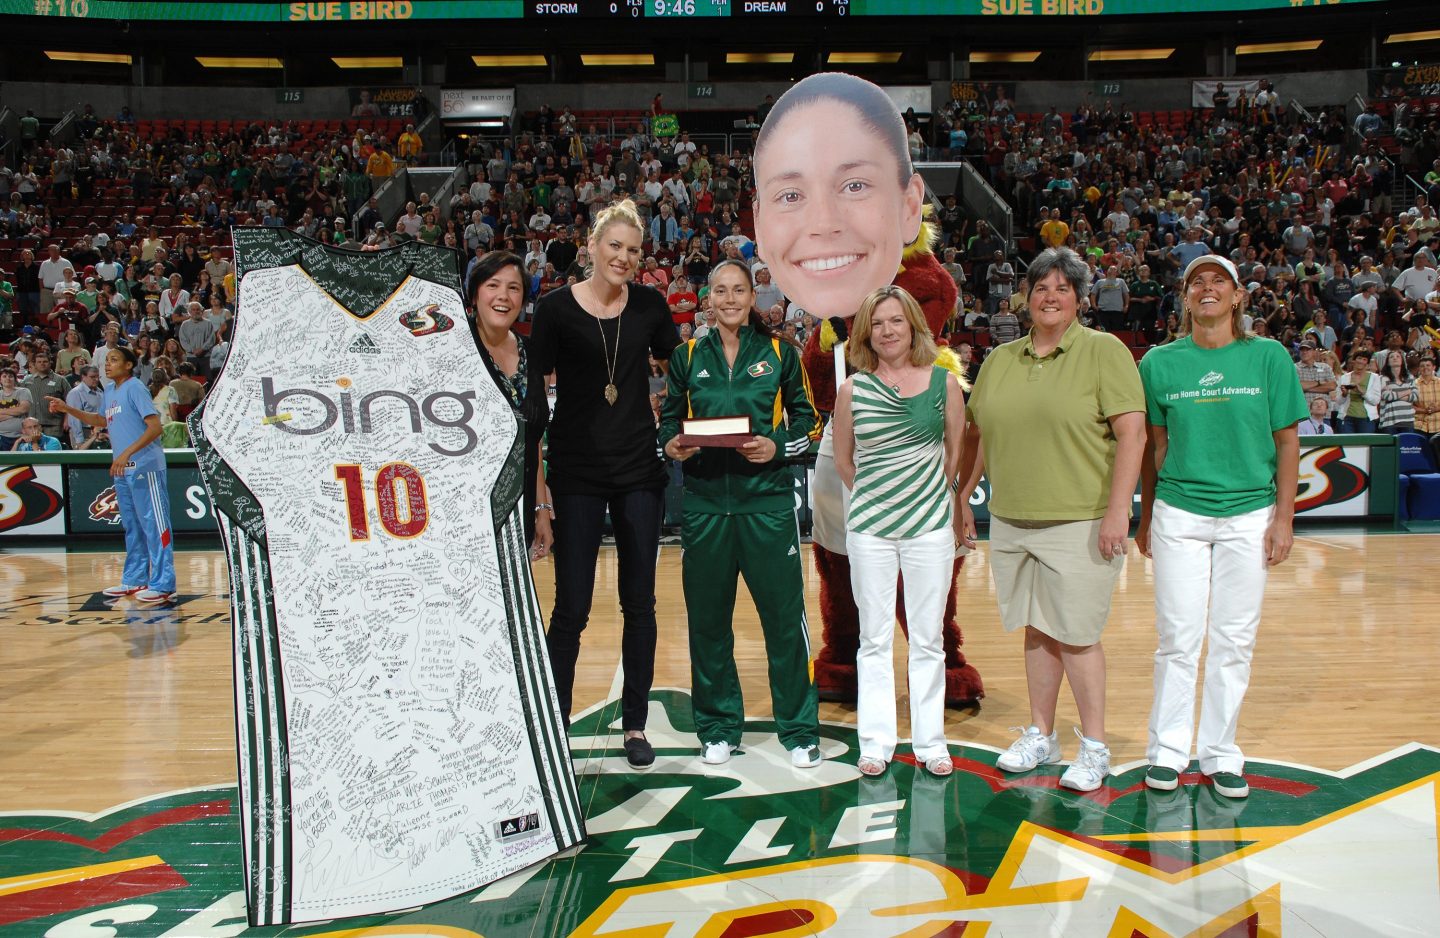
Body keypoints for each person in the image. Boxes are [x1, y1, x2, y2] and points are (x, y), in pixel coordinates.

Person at [958, 246, 1146, 792]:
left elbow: (1132, 434)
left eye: (1063, 288)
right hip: (1013, 519)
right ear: (1025, 297)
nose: (1051, 296)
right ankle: (1041, 733)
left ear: (1081, 300)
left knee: (1079, 635)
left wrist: (1119, 512)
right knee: (1038, 630)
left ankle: (1095, 747)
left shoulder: (1104, 351)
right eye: (1042, 287)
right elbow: (979, 437)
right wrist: (961, 497)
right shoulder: (1000, 359)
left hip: (1081, 520)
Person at [1136, 254, 1306, 799]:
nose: (1206, 289)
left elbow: (1286, 443)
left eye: (1218, 282)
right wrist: (1148, 510)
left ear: (1238, 297)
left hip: (1250, 514)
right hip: (1180, 512)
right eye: (1196, 282)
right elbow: (1154, 446)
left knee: (1234, 639)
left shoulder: (1270, 357)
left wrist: (1284, 517)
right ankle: (1166, 751)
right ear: (1185, 298)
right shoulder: (1158, 364)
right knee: (1178, 639)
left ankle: (1219, 753)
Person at [524, 200, 681, 768]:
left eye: (634, 250)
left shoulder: (651, 306)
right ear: (592, 246)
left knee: (640, 602)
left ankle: (635, 725)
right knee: (572, 607)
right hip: (577, 474)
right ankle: (553, 722)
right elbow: (533, 401)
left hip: (639, 469)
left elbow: (680, 366)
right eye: (614, 246)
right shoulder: (554, 309)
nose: (624, 257)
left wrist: (676, 423)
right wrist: (537, 494)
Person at [658, 260, 821, 767]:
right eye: (720, 291)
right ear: (707, 298)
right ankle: (717, 728)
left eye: (738, 291)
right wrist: (672, 447)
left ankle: (798, 730)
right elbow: (667, 420)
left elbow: (808, 420)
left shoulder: (779, 353)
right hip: (705, 507)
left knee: (783, 623)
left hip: (768, 507)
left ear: (754, 297)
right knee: (708, 625)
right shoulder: (685, 356)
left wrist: (775, 447)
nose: (729, 299)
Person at [832, 285, 967, 778]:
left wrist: (929, 494)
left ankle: (931, 743)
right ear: (867, 331)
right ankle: (876, 741)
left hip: (929, 527)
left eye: (896, 321)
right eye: (878, 323)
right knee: (874, 638)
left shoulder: (944, 383)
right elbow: (845, 463)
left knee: (928, 639)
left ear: (913, 325)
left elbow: (956, 451)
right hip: (870, 529)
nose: (887, 331)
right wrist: (880, 497)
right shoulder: (853, 389)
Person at [48, 346, 176, 603]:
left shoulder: (136, 387)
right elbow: (100, 420)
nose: (107, 364)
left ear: (129, 365)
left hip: (145, 467)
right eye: (106, 360)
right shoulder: (109, 390)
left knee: (155, 525)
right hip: (122, 468)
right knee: (132, 526)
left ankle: (164, 584)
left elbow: (155, 428)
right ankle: (135, 579)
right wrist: (67, 409)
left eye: (114, 360)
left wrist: (126, 453)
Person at [469, 251, 553, 556]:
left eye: (514, 287)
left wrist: (542, 508)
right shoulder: (454, 346)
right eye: (493, 285)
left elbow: (531, 439)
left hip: (520, 511)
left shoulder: (532, 353)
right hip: (464, 512)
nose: (503, 296)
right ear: (475, 292)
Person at [1335, 350, 1382, 433]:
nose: (1361, 361)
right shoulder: (1344, 377)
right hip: (1347, 418)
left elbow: (1375, 401)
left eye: (1364, 359)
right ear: (1353, 361)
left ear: (1367, 363)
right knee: (1347, 445)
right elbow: (1338, 401)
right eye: (1359, 358)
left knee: (1365, 445)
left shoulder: (1374, 378)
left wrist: (1362, 392)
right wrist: (1344, 394)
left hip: (1366, 419)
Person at [1377, 351, 1418, 433]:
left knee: (1407, 445)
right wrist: (1407, 391)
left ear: (1402, 361)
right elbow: (1387, 396)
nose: (1395, 358)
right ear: (1388, 362)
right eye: (1391, 357)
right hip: (1389, 421)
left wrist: (1394, 395)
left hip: (1408, 420)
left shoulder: (1409, 377)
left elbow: (1415, 396)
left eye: (1397, 356)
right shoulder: (1383, 378)